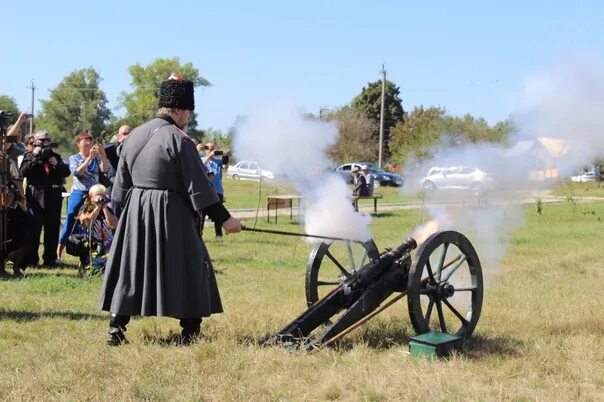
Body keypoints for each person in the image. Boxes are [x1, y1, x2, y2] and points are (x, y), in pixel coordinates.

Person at [99, 74, 242, 346]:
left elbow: (120, 186)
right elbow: (199, 188)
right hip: (171, 213)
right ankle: (190, 330)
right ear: (177, 110)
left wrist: (123, 213)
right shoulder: (180, 140)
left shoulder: (133, 137)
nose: (188, 116)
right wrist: (226, 221)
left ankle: (116, 327)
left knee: (131, 267)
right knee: (189, 263)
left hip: (135, 212)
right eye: (187, 111)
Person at [20, 130, 71, 266]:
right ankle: (31, 259)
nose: (45, 142)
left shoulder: (56, 156)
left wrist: (56, 163)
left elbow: (67, 172)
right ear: (35, 141)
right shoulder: (30, 155)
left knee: (52, 229)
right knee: (34, 229)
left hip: (53, 195)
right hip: (36, 195)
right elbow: (24, 171)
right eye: (42, 140)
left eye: (47, 139)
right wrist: (35, 157)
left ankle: (50, 259)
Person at [57, 132, 109, 262]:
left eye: (90, 143)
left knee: (98, 220)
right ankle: (58, 252)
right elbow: (77, 172)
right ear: (78, 144)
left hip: (94, 193)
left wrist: (102, 154)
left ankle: (94, 252)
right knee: (70, 219)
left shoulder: (96, 158)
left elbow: (105, 169)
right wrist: (89, 158)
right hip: (79, 192)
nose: (88, 145)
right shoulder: (74, 158)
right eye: (85, 143)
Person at [66, 184, 117, 276]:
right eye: (98, 195)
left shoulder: (108, 209)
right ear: (91, 197)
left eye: (103, 195)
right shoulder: (84, 209)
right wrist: (97, 208)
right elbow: (87, 223)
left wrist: (104, 208)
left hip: (106, 246)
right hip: (90, 246)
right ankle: (84, 267)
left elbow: (114, 225)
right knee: (94, 272)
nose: (101, 198)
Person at [201, 142, 226, 238]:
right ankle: (199, 236)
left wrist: (225, 156)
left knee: (218, 215)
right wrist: (209, 156)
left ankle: (219, 236)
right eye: (208, 148)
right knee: (202, 215)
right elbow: (200, 165)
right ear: (205, 150)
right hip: (205, 191)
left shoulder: (218, 161)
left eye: (213, 149)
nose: (211, 151)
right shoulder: (201, 159)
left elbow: (225, 166)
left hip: (218, 191)